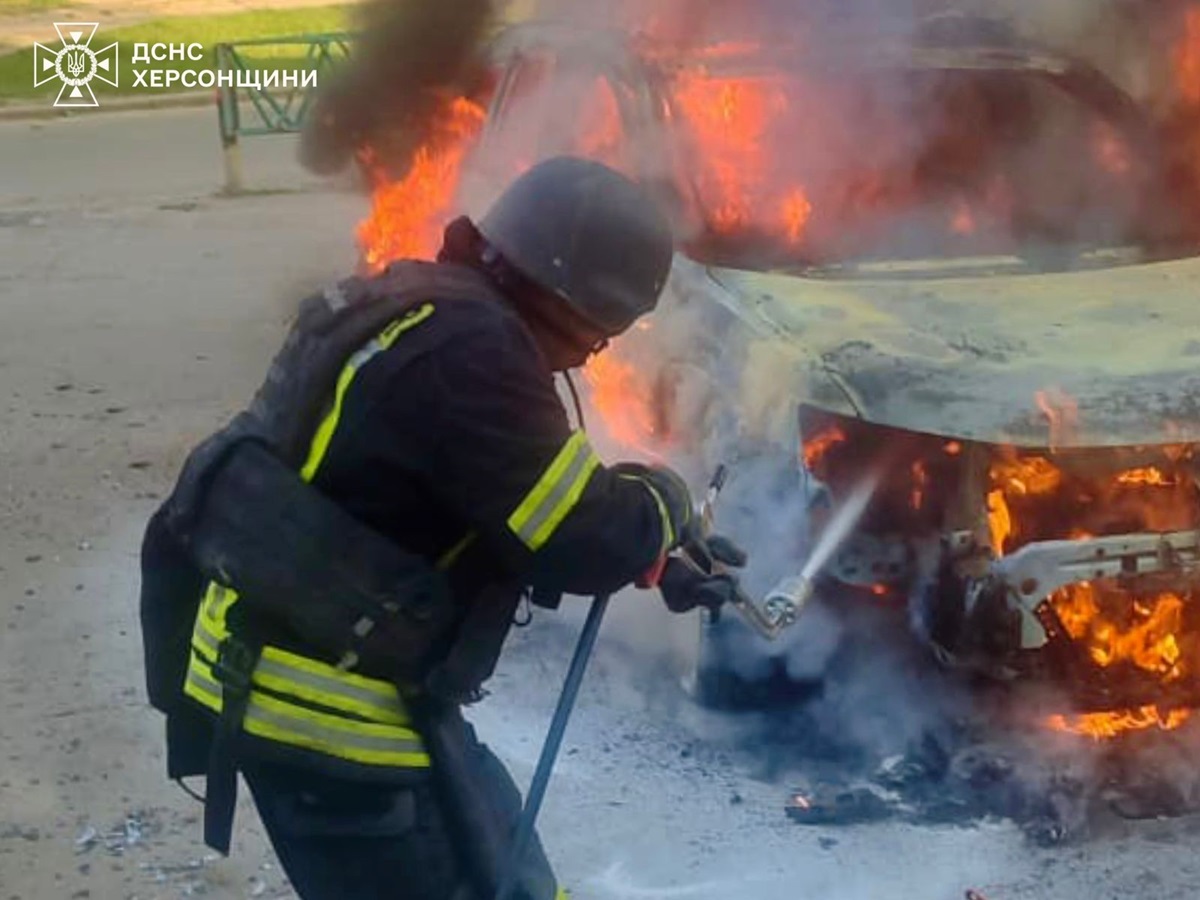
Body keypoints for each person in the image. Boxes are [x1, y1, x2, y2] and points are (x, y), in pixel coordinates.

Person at [139, 156, 745, 900]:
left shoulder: (416, 306)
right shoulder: (475, 354)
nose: (601, 349)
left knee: (514, 874)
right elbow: (574, 540)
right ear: (567, 292)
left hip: (303, 673)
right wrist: (663, 503)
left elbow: (459, 500)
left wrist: (657, 561)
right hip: (328, 717)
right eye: (604, 326)